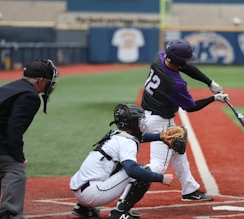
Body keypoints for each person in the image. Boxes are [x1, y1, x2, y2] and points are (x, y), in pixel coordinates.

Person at [141, 39, 229, 201]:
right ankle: (124, 177)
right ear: (179, 62)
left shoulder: (159, 57)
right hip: (161, 121)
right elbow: (191, 107)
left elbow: (184, 66)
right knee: (157, 167)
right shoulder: (176, 84)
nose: (188, 62)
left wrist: (209, 82)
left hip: (145, 115)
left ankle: (189, 189)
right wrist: (214, 98)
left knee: (178, 151)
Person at [70, 103, 174, 219]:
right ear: (132, 123)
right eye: (139, 120)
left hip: (81, 191)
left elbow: (138, 138)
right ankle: (119, 213)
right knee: (141, 171)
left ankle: (83, 209)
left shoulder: (117, 134)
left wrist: (160, 137)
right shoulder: (127, 143)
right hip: (93, 194)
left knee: (117, 166)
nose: (142, 123)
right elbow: (132, 170)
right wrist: (161, 178)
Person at [0, 59, 59, 219]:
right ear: (41, 81)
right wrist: (18, 157)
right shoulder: (29, 96)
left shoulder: (12, 87)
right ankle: (10, 213)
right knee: (15, 170)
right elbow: (14, 130)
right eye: (49, 81)